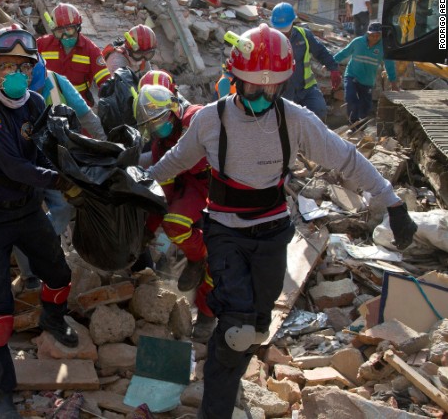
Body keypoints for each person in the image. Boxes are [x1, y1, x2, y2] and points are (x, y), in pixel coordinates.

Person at [145, 23, 417, 419]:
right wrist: (137, 174)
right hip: (225, 231)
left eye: (270, 89)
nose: (261, 96)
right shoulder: (209, 119)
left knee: (255, 328)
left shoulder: (296, 120)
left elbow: (346, 158)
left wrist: (392, 203)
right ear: (234, 79)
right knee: (236, 327)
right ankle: (215, 406)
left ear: (282, 85)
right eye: (252, 87)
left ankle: (226, 374)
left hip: (272, 233)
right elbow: (175, 160)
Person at [0, 25, 82, 418]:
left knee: (59, 274)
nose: (17, 73)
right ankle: (0, 393)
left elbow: (43, 153)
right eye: (8, 65)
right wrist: (60, 180)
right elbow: (15, 166)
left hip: (27, 211)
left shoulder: (33, 104)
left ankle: (52, 318)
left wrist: (74, 173)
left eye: (24, 66)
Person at [13, 54, 107, 290]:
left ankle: (45, 250)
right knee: (21, 215)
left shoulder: (56, 82)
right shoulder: (10, 90)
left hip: (57, 161)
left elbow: (86, 115)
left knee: (64, 207)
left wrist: (106, 144)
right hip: (23, 164)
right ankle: (29, 275)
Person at [134, 72, 216, 343]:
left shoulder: (199, 119)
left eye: (159, 123)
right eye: (152, 127)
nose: (158, 130)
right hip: (196, 187)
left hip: (226, 186)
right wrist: (147, 230)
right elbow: (165, 193)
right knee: (175, 224)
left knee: (222, 255)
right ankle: (197, 256)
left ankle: (207, 314)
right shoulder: (160, 144)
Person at [270, 2, 341, 120]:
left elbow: (320, 51)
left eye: (285, 28)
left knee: (319, 112)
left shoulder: (304, 35)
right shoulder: (268, 40)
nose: (283, 32)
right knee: (286, 123)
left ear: (293, 22)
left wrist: (333, 69)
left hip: (307, 88)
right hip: (282, 92)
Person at [37, 3, 111, 107]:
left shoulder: (91, 50)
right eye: (60, 32)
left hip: (79, 106)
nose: (65, 36)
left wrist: (110, 100)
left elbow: (105, 81)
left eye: (69, 30)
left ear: (78, 28)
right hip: (48, 105)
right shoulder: (42, 44)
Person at [333, 22, 399, 124]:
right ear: (368, 34)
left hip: (367, 81)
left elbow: (389, 65)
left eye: (378, 35)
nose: (375, 37)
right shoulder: (357, 42)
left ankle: (361, 126)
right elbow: (344, 53)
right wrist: (330, 63)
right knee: (351, 98)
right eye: (373, 35)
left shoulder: (383, 47)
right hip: (352, 75)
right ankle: (353, 123)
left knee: (366, 106)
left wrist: (393, 83)